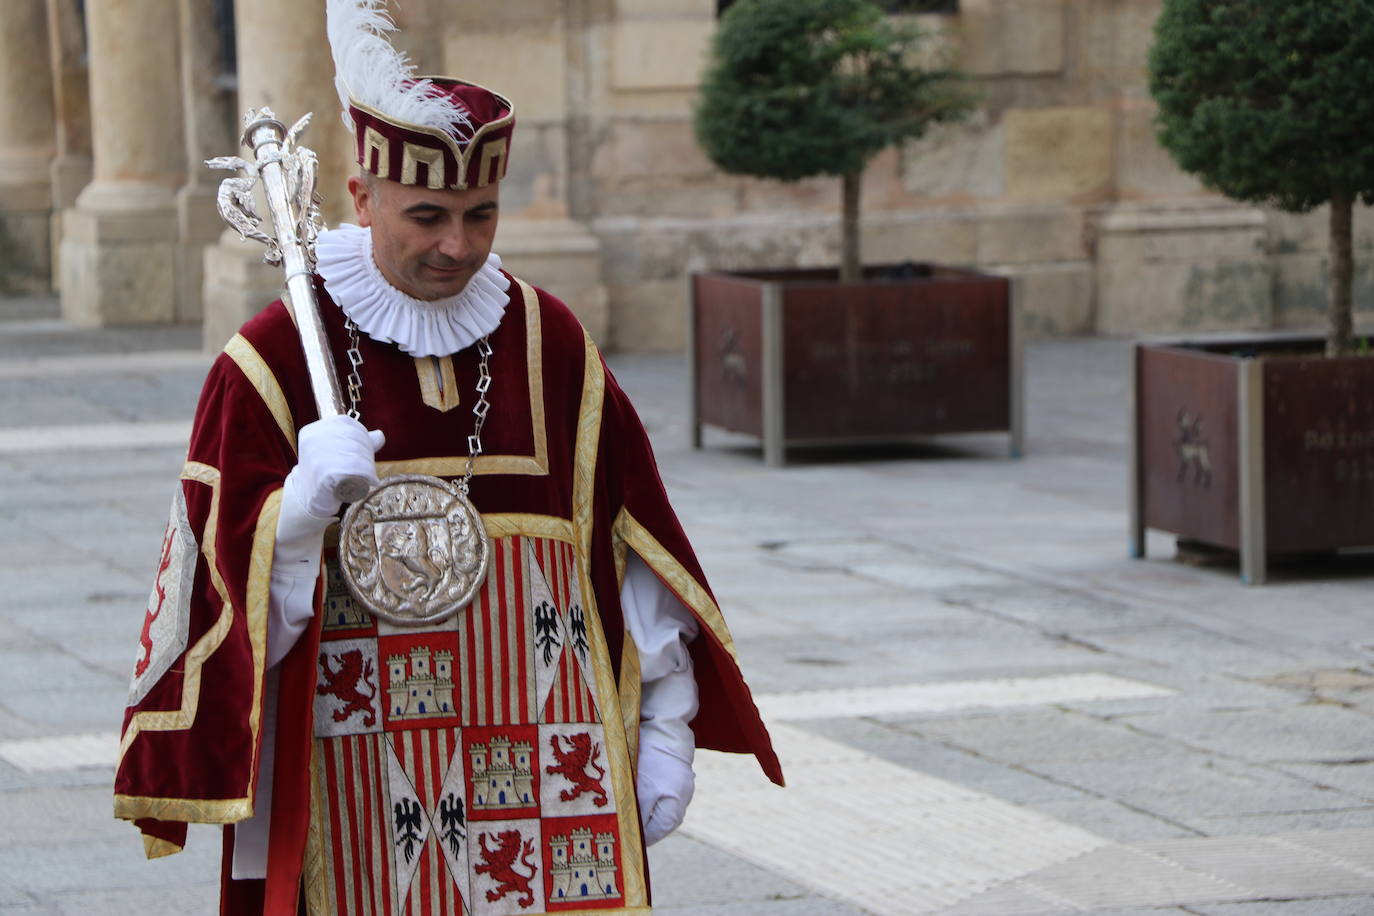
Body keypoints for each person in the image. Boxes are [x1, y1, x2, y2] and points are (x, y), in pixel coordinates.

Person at [113, 2, 781, 913]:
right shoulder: (272, 359)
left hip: (547, 775)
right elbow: (204, 600)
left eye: (480, 215)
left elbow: (630, 549)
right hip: (351, 786)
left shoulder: (548, 342)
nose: (457, 246)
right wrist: (298, 516)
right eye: (426, 216)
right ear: (361, 196)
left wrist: (667, 722)